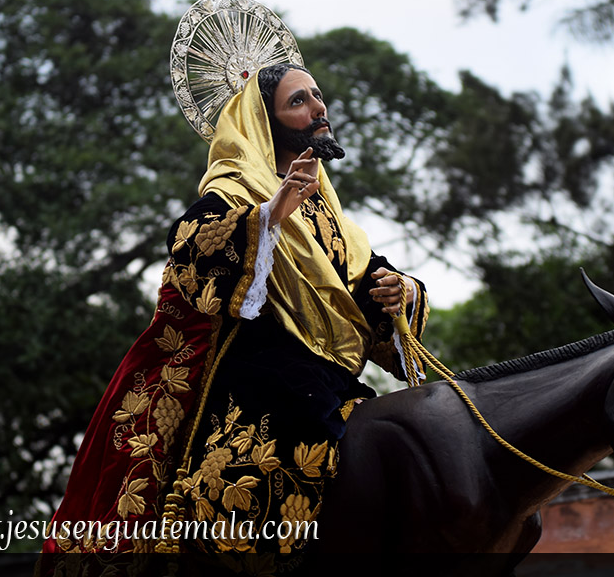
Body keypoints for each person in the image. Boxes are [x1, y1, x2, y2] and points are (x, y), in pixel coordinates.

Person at [36, 62, 429, 574]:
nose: (318, 108)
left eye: (317, 95)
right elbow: (190, 251)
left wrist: (400, 290)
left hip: (335, 379)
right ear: (264, 121)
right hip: (264, 371)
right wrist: (269, 216)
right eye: (298, 101)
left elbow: (364, 276)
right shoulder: (233, 193)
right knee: (292, 432)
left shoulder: (335, 219)